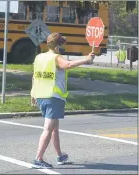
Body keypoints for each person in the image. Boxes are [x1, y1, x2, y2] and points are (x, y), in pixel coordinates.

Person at [31, 32, 94, 169]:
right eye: (62, 45)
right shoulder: (56, 58)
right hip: (53, 97)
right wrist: (86, 59)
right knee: (48, 128)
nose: (63, 47)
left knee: (54, 128)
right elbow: (68, 65)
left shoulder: (39, 57)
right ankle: (38, 159)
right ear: (57, 46)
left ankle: (60, 155)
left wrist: (32, 93)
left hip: (41, 96)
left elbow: (35, 76)